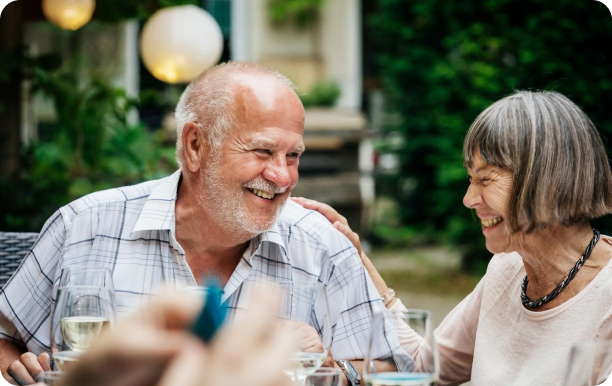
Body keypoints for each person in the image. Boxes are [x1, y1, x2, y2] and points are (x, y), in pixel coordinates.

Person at [0, 61, 411, 386]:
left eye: (293, 156)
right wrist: (16, 366)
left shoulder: (322, 246)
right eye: (263, 151)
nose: (283, 176)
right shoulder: (84, 227)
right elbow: (5, 338)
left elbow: (389, 368)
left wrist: (330, 371)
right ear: (195, 146)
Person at [293, 90, 612, 386]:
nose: (469, 198)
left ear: (548, 179)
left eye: (485, 179)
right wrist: (360, 263)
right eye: (470, 178)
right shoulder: (506, 270)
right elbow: (423, 365)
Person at [36, 288, 297, 386]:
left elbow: (337, 369)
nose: (282, 177)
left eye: (292, 161)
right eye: (260, 160)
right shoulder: (78, 222)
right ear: (194, 162)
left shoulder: (322, 240)